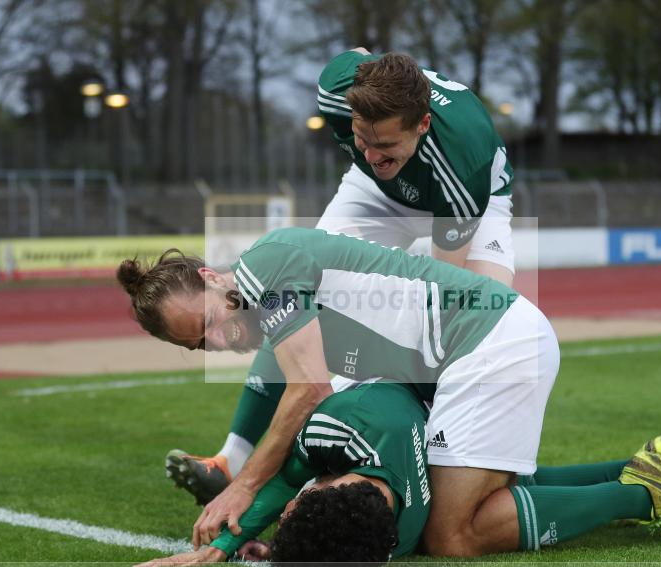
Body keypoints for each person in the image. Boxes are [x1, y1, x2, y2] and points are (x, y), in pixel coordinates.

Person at [117, 229, 661, 564]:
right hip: (473, 355)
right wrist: (241, 538)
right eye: (201, 346)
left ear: (210, 278)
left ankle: (643, 496)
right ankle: (633, 468)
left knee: (451, 535)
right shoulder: (287, 322)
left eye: (209, 321)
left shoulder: (265, 268)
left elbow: (309, 393)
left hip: (489, 346)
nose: (220, 340)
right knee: (468, 498)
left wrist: (241, 485)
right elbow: (314, 447)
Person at [172, 49, 517, 496]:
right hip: (373, 196)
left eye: (385, 144)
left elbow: (438, 288)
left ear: (423, 125)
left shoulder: (461, 164)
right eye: (362, 139)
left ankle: (453, 465)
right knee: (288, 295)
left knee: (481, 326)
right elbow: (357, 58)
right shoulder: (339, 89)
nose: (371, 154)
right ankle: (230, 460)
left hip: (467, 201)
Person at [136, 381, 431, 567]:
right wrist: (220, 547)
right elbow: (287, 481)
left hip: (408, 403)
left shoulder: (395, 541)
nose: (286, 506)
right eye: (297, 504)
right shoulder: (334, 425)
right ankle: (232, 458)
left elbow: (334, 540)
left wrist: (285, 551)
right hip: (375, 375)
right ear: (330, 485)